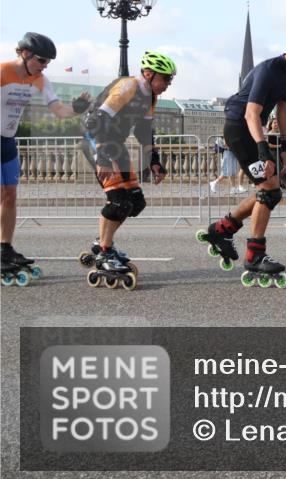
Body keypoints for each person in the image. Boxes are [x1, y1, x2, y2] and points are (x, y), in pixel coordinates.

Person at [196, 29, 286, 287]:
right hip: (239, 128)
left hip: (251, 130)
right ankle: (254, 255)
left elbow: (283, 109)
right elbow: (251, 114)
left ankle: (221, 230)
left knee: (269, 191)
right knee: (269, 191)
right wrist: (264, 148)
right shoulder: (269, 70)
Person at [79, 51, 176, 289]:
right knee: (118, 201)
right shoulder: (128, 86)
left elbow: (144, 131)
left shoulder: (150, 97)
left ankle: (102, 242)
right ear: (149, 74)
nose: (168, 84)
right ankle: (104, 252)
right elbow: (96, 120)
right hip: (98, 140)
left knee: (135, 202)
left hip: (117, 145)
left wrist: (154, 160)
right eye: (165, 78)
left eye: (170, 80)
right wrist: (102, 155)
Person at [1, 33, 91, 285]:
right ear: (25, 53)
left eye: (48, 62)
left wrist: (77, 109)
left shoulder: (40, 79)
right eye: (41, 60)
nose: (44, 65)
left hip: (7, 142)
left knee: (10, 196)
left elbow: (59, 111)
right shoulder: (3, 71)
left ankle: (4, 248)